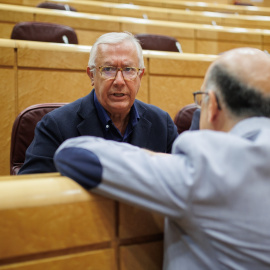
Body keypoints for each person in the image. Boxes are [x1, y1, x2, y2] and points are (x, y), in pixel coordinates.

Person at [54, 47, 270, 269]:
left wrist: (160, 161)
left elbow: (74, 154)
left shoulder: (201, 171)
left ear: (212, 105)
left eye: (201, 100)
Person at [18, 32, 179, 174]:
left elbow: (182, 184)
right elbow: (30, 191)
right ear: (92, 76)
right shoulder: (55, 126)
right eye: (108, 69)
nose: (119, 81)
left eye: (129, 70)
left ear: (140, 76)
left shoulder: (162, 123)